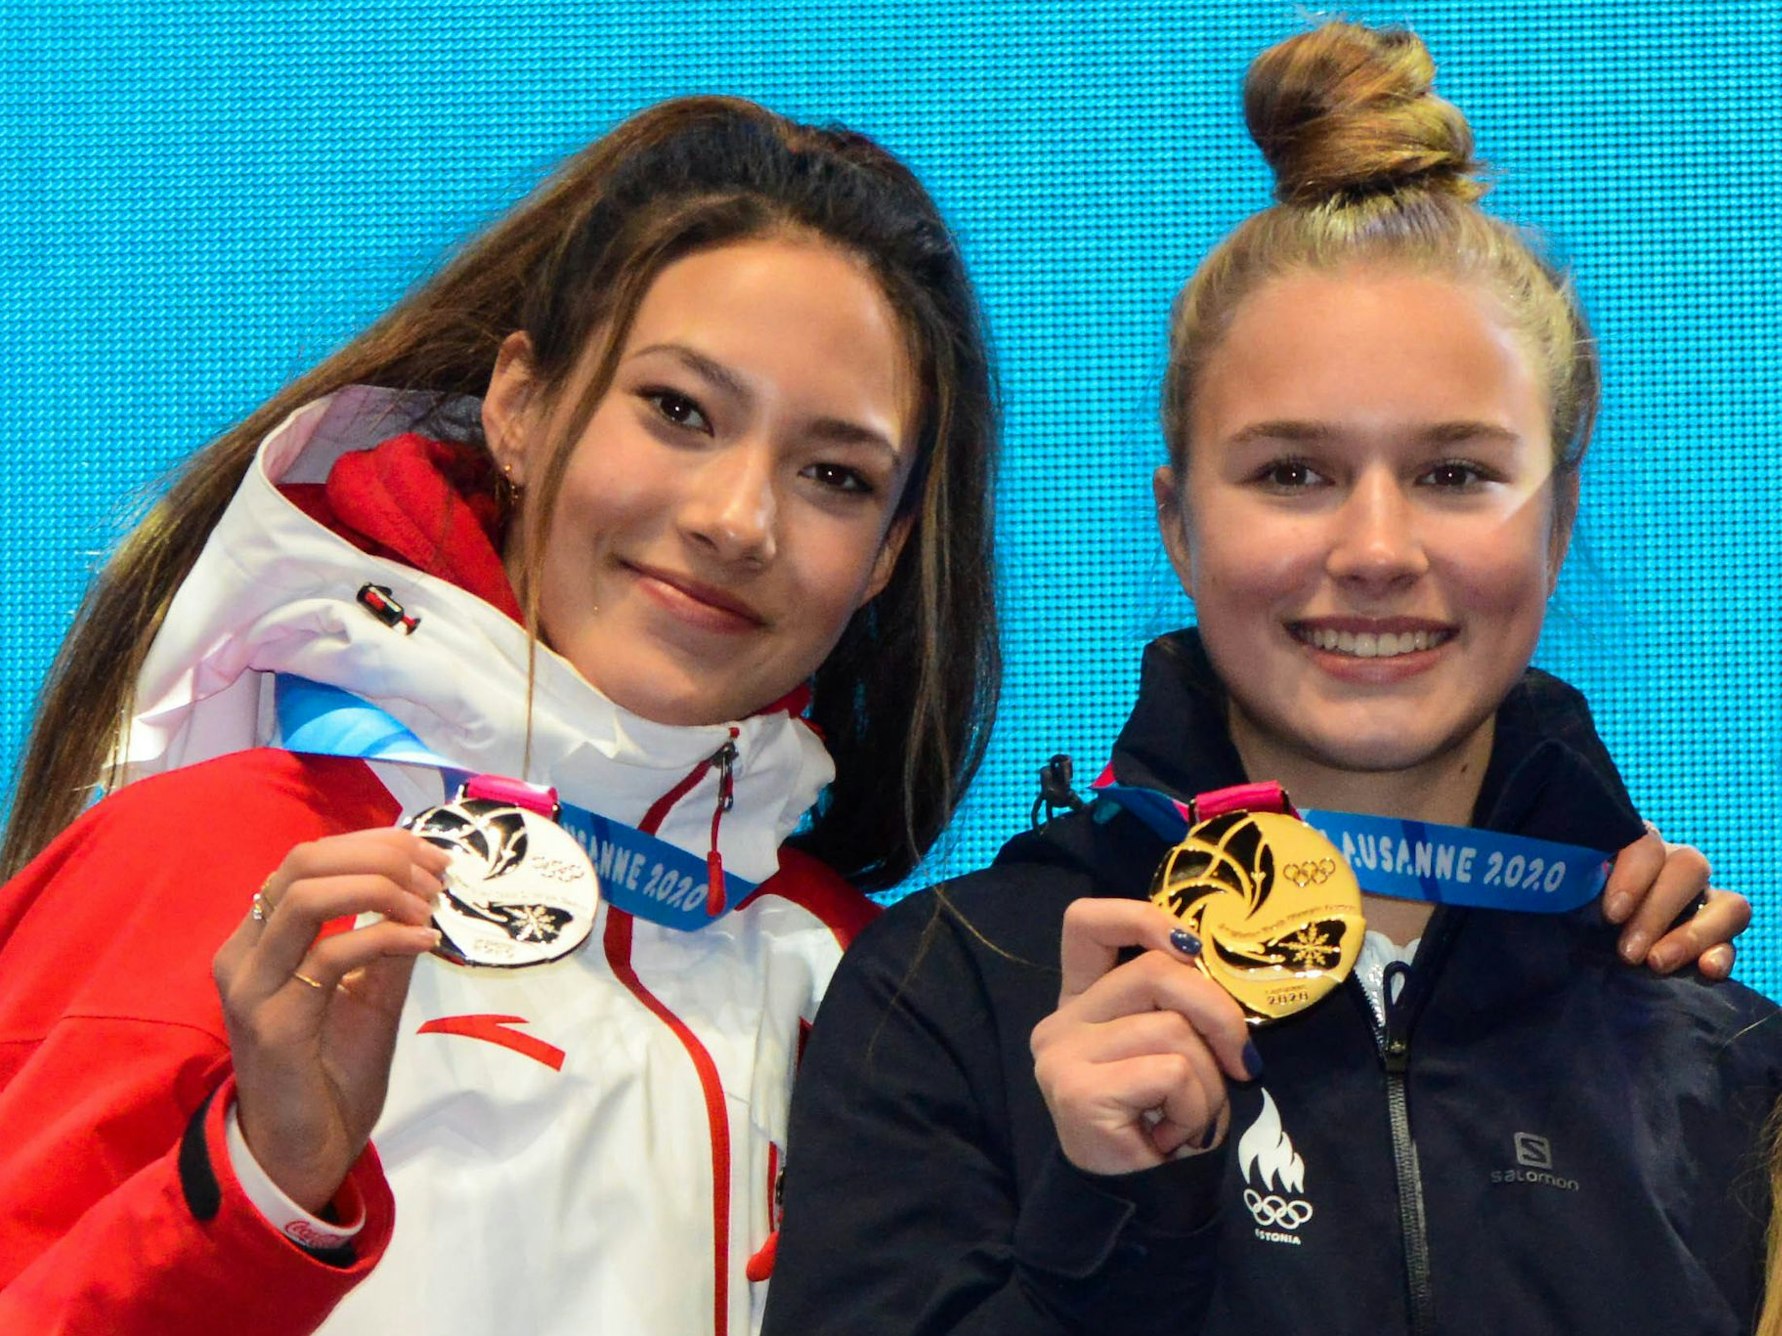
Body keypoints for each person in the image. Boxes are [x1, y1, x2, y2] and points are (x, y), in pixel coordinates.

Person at [763, 22, 1780, 1336]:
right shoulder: (953, 990)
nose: (1375, 551)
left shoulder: (1717, 1053)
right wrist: (1111, 1221)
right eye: (1292, 473)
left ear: (1555, 523)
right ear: (1179, 525)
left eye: (1456, 473)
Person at [0, 98, 998, 1335]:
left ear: (889, 552)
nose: (739, 519)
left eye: (835, 476)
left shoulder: (868, 993)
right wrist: (262, 1193)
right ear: (520, 405)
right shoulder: (207, 864)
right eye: (680, 410)